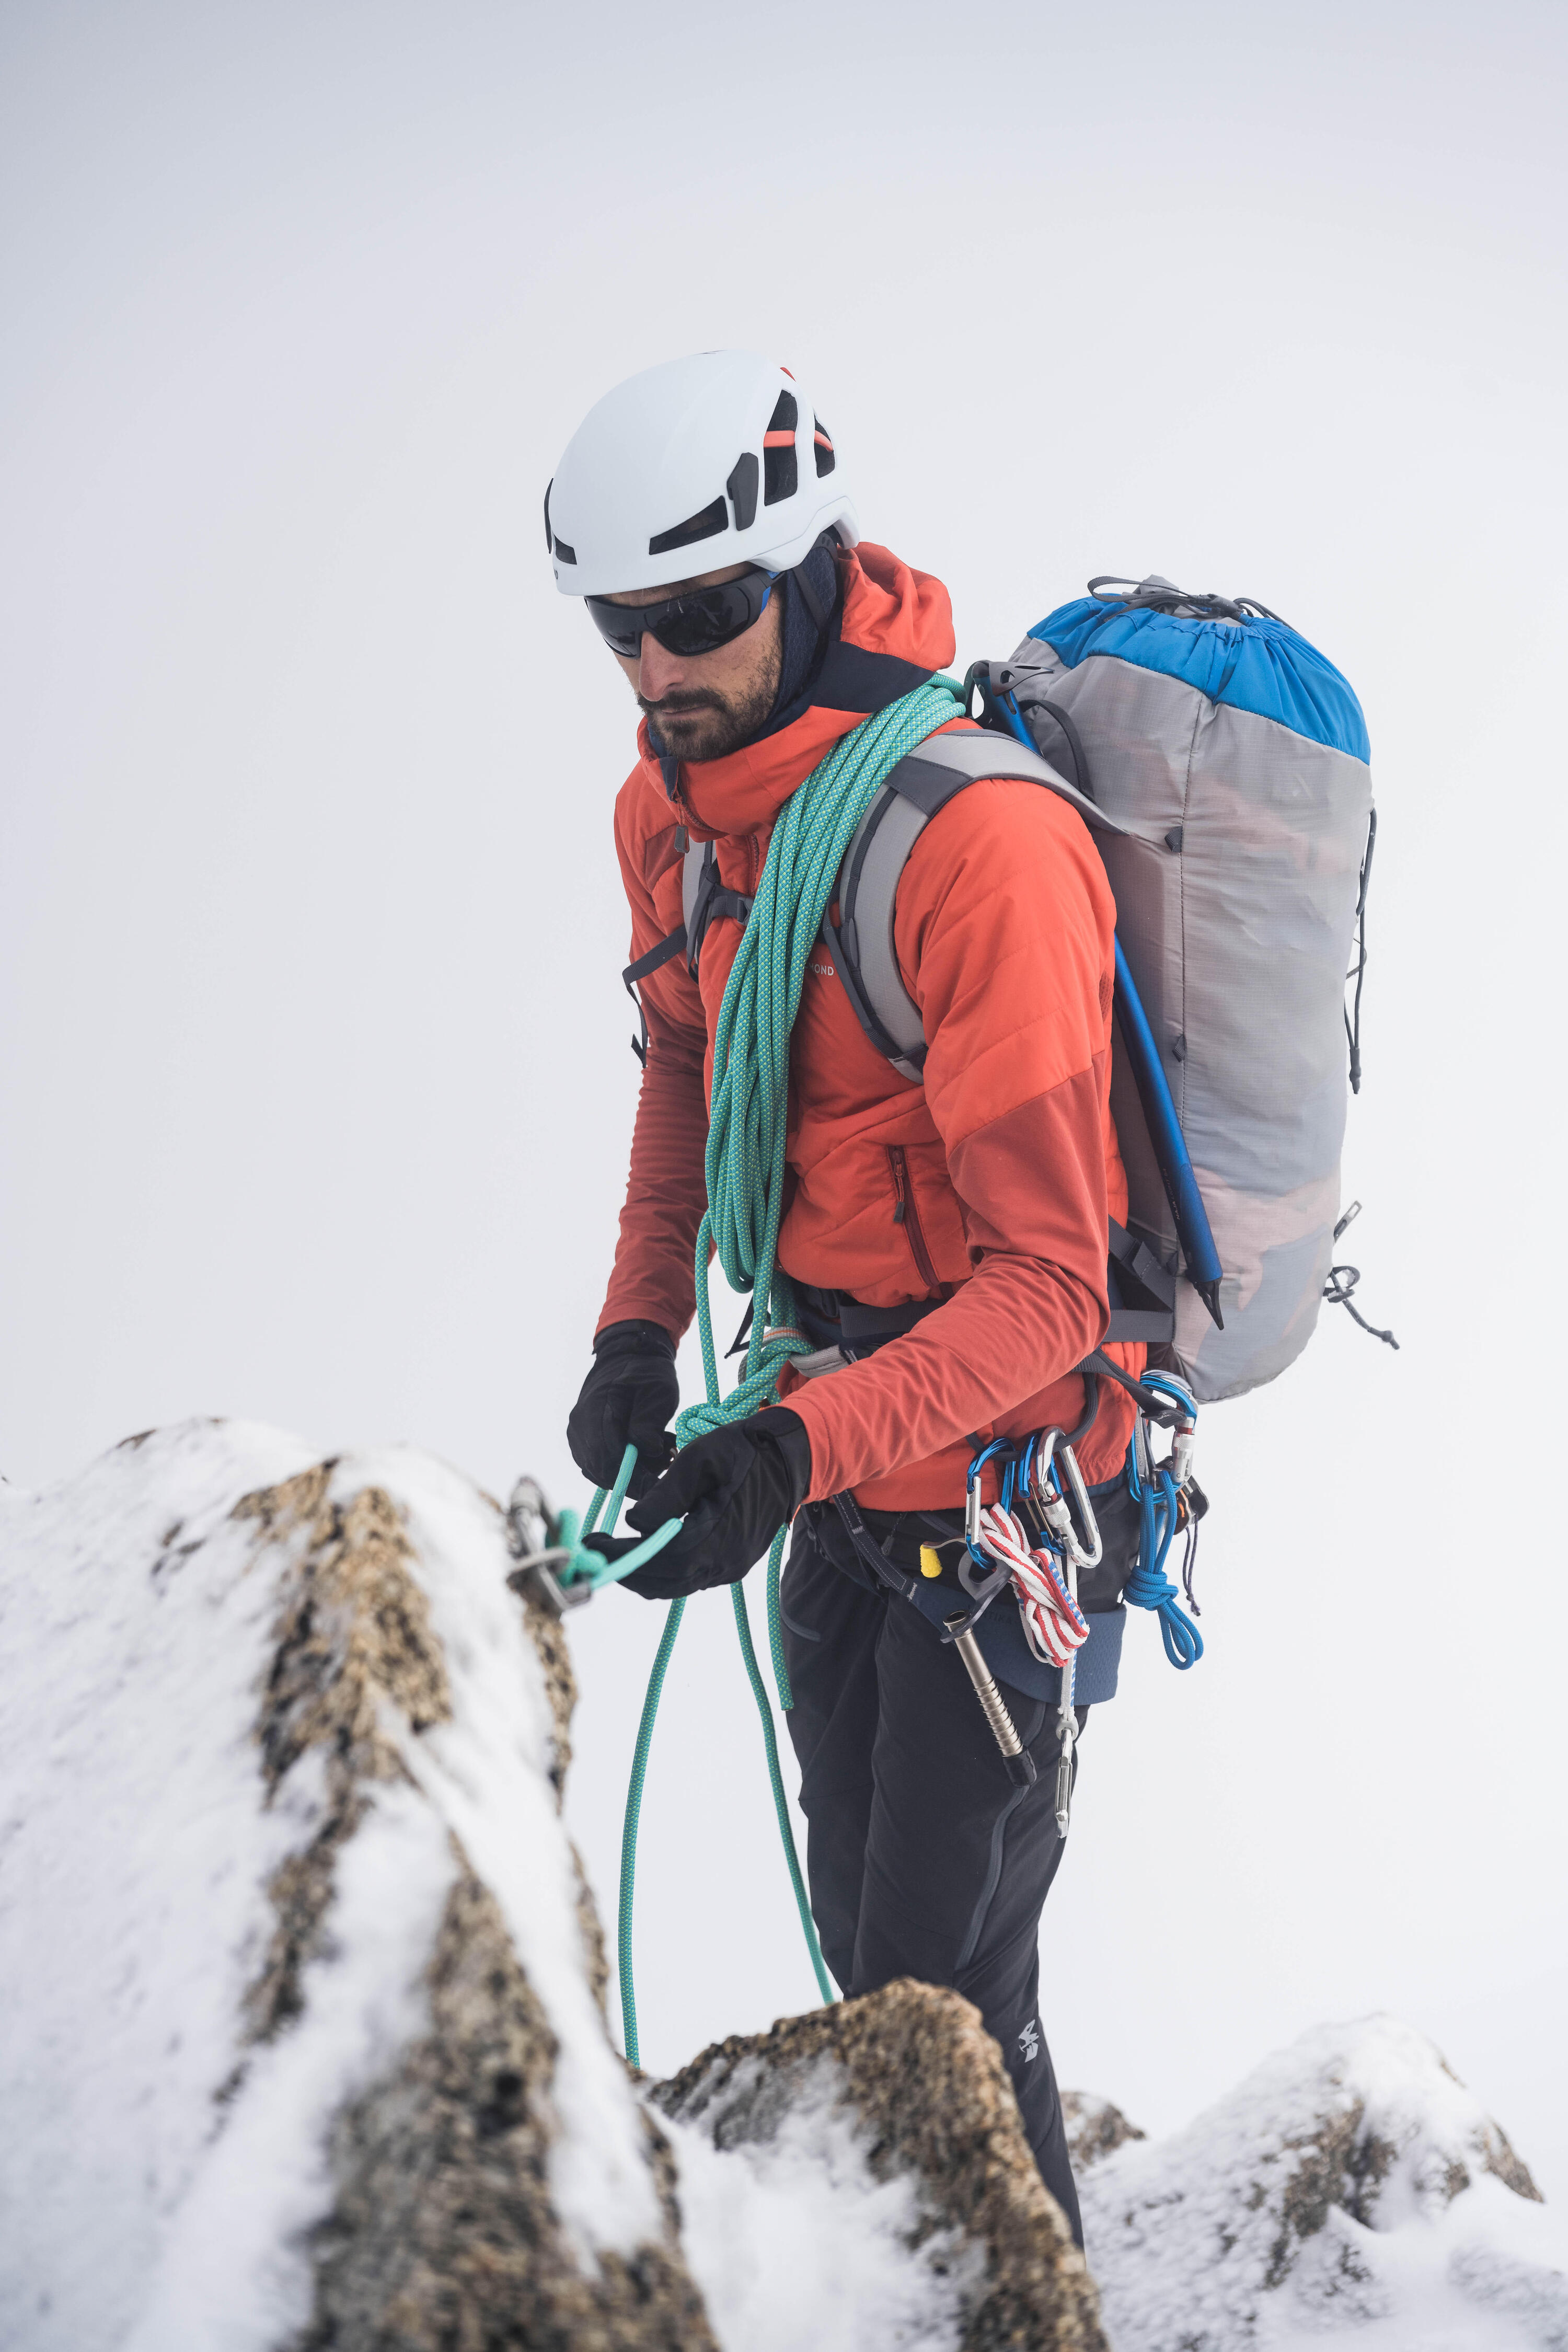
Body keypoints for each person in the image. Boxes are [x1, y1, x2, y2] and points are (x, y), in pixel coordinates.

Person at [555, 351, 1147, 2245]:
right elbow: (680, 1061)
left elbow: (1055, 1281)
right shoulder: (674, 818)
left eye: (699, 616)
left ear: (806, 573)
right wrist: (639, 1330)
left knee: (927, 2011)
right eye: (617, 631)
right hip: (822, 1461)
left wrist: (784, 1450)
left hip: (1000, 1504)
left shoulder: (982, 849)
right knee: (893, 1969)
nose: (657, 672)